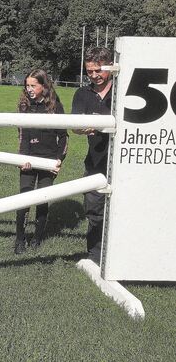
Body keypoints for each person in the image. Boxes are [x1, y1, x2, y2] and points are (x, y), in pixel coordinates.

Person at [14, 69, 68, 254]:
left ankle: (37, 237)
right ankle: (20, 239)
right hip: (27, 160)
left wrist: (59, 160)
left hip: (48, 161)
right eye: (27, 85)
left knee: (42, 199)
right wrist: (22, 159)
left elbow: (63, 138)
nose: (29, 89)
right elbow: (22, 136)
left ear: (44, 86)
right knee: (24, 198)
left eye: (33, 85)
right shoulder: (23, 106)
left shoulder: (56, 107)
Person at [71, 47, 113, 264]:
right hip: (95, 162)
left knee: (121, 210)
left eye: (99, 70)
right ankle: (95, 257)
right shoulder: (82, 94)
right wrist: (83, 127)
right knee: (94, 210)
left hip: (122, 162)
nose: (94, 75)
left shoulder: (123, 92)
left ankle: (118, 255)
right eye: (90, 71)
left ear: (110, 67)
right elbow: (74, 126)